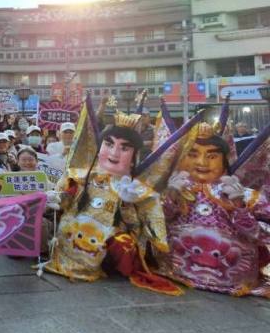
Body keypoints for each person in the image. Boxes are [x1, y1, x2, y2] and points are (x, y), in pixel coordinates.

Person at [44, 111, 180, 295]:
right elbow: (66, 200)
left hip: (108, 236)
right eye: (109, 144)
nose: (114, 153)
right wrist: (56, 198)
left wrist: (127, 204)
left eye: (124, 148)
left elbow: (140, 227)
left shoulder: (136, 189)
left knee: (124, 245)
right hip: (73, 230)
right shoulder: (81, 175)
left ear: (134, 155)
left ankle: (108, 267)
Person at [159, 124, 270, 297]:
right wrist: (171, 198)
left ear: (225, 159)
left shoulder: (247, 196)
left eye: (212, 156)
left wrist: (240, 208)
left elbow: (265, 235)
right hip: (178, 275)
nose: (202, 163)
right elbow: (154, 229)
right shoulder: (175, 190)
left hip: (236, 283)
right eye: (193, 154)